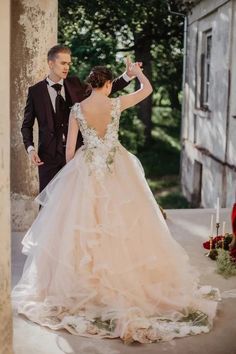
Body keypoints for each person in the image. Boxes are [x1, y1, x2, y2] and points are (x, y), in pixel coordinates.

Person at [12, 65, 219, 344]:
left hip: (87, 168)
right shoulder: (116, 103)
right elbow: (148, 90)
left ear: (91, 84)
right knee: (125, 225)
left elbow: (71, 152)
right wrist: (135, 72)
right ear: (108, 84)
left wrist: (72, 181)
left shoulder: (76, 109)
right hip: (116, 168)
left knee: (84, 230)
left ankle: (86, 287)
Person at [21, 45, 135, 192]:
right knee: (48, 206)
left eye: (68, 63)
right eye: (63, 63)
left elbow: (102, 89)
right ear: (50, 63)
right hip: (48, 158)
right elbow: (26, 125)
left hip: (76, 156)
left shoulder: (75, 84)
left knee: (74, 202)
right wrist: (30, 149)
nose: (67, 67)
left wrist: (127, 76)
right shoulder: (35, 92)